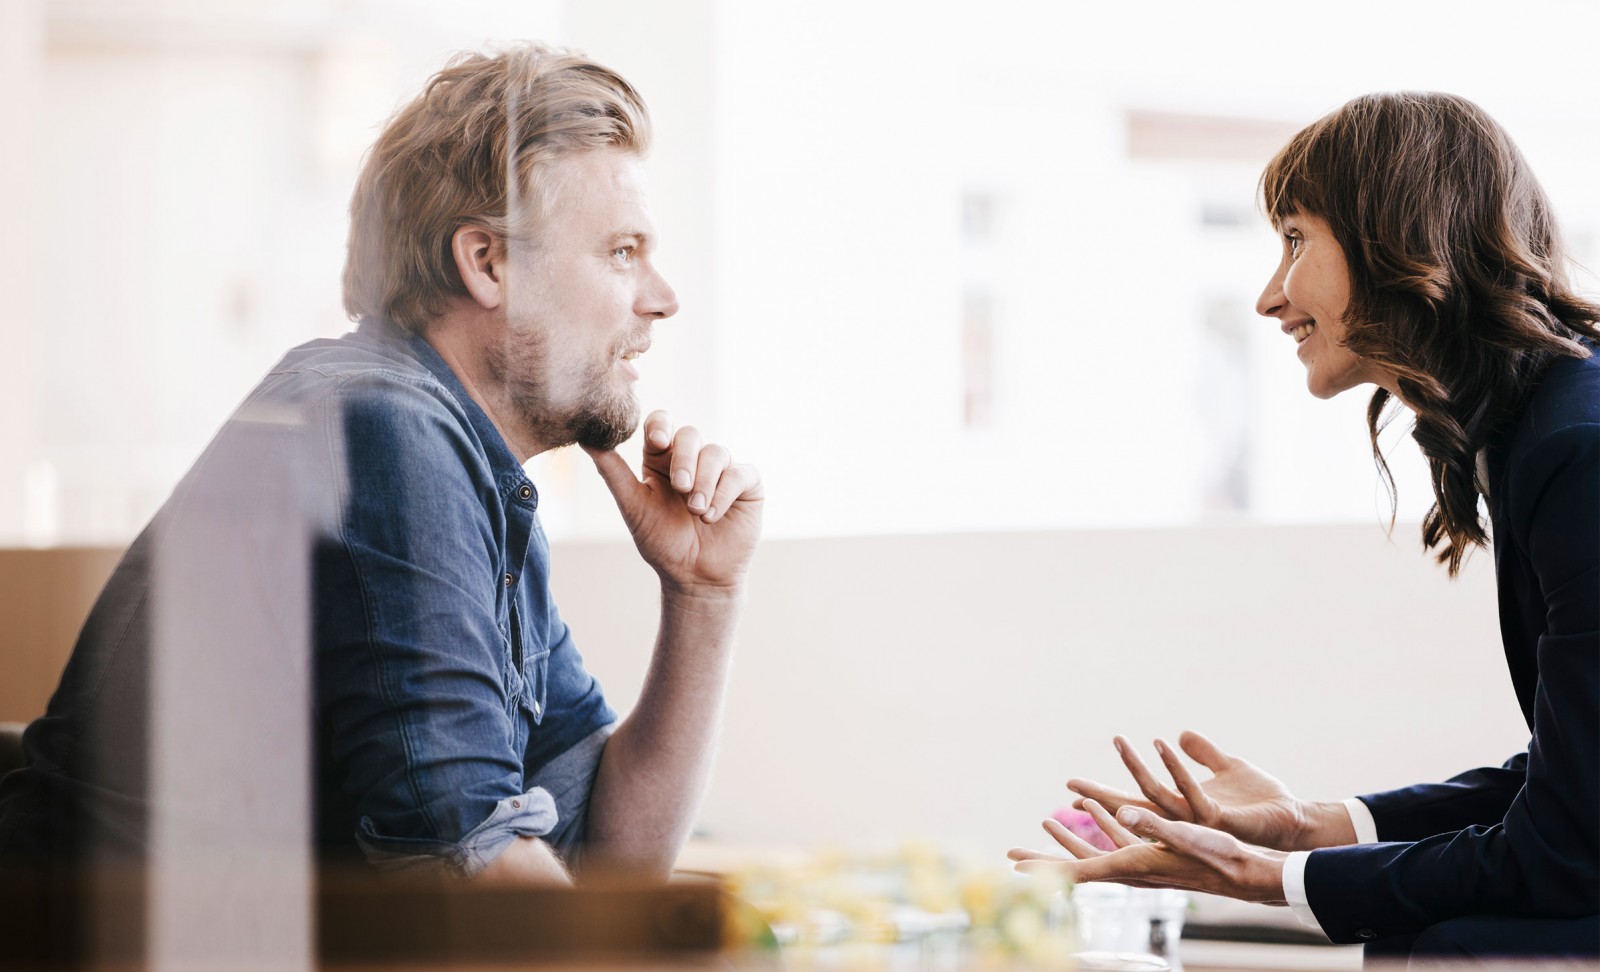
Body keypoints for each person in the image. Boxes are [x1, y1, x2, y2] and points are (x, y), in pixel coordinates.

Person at [0, 43, 762, 887]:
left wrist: (703, 594)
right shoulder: (386, 431)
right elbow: (482, 893)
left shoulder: (469, 462)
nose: (663, 296)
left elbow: (605, 862)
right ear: (488, 263)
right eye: (622, 251)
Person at [1010, 92, 1599, 962]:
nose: (1267, 297)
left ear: (1399, 235)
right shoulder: (1545, 430)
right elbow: (1573, 791)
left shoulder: (1576, 450)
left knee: (1447, 945)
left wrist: (1266, 877)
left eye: (1293, 240)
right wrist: (1313, 826)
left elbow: (1566, 851)